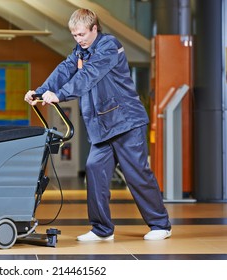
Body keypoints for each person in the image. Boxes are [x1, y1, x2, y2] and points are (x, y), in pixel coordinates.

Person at [24, 8, 172, 241]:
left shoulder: (108, 47)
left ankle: (160, 225)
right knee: (94, 170)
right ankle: (102, 230)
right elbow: (65, 69)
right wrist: (41, 92)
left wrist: (60, 95)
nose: (78, 39)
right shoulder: (80, 51)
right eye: (74, 35)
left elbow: (89, 76)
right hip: (103, 126)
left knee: (136, 174)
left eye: (82, 34)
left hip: (126, 122)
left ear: (95, 28)